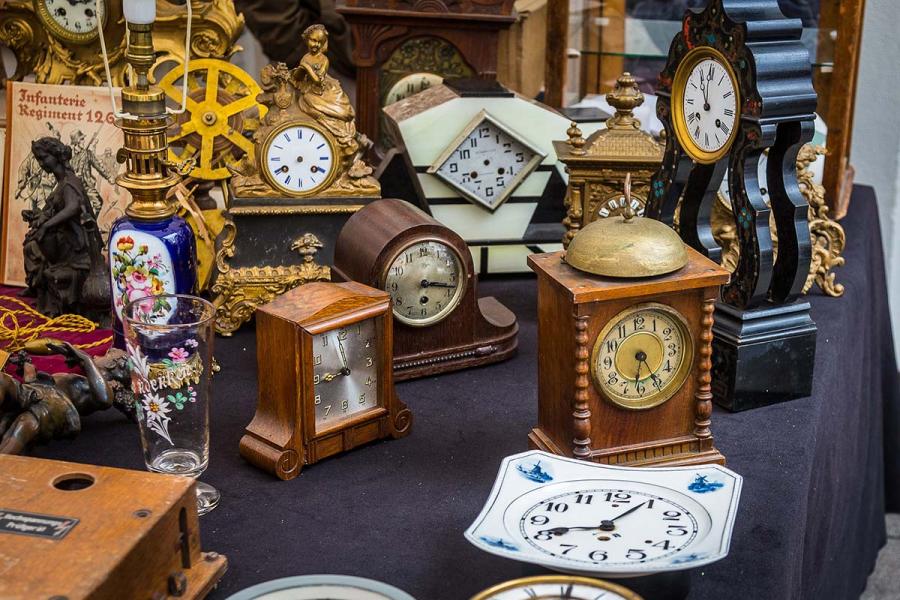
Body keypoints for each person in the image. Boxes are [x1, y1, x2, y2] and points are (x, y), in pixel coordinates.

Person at [21, 137, 105, 316]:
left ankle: (44, 288)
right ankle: (37, 286)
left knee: (34, 246)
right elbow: (53, 211)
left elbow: (73, 208)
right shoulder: (61, 184)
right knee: (31, 245)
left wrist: (46, 225)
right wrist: (37, 216)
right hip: (65, 241)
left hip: (76, 246)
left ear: (57, 156)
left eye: (44, 158)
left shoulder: (69, 182)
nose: (41, 163)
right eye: (38, 160)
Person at [292, 24, 358, 161]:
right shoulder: (305, 58)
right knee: (306, 104)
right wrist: (301, 70)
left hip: (322, 91)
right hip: (309, 91)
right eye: (313, 40)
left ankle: (343, 138)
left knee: (341, 112)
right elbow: (297, 77)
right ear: (306, 39)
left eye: (319, 42)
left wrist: (306, 68)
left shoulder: (324, 60)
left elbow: (317, 81)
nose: (316, 45)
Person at [69, 129, 116, 218]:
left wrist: (109, 176)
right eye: (81, 139)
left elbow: (98, 165)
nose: (84, 141)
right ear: (77, 141)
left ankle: (92, 222)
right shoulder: (70, 156)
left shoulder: (87, 153)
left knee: (98, 203)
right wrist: (74, 175)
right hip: (73, 187)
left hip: (87, 185)